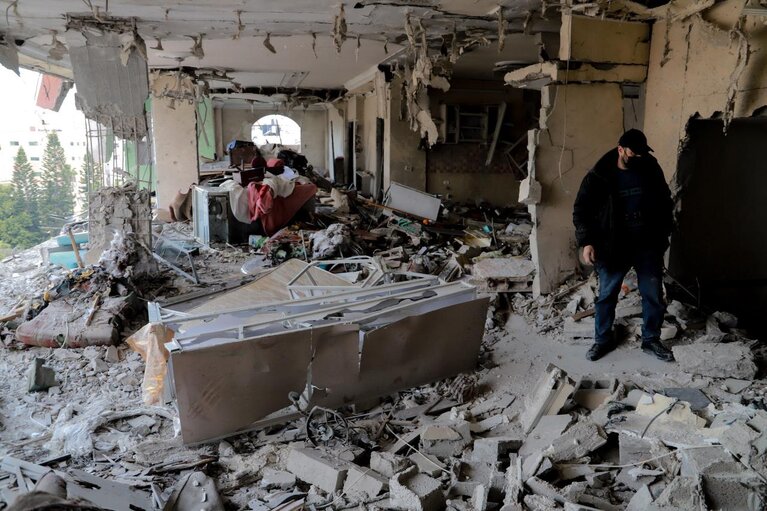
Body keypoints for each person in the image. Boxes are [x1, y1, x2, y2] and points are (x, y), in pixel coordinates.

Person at [573, 129, 675, 362]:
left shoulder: (649, 166)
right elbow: (582, 210)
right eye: (633, 153)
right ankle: (602, 340)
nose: (638, 157)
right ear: (620, 149)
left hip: (646, 243)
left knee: (652, 294)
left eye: (641, 153)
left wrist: (664, 232)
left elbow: (664, 200)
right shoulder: (599, 175)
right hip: (612, 245)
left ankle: (651, 340)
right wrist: (587, 241)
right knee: (607, 294)